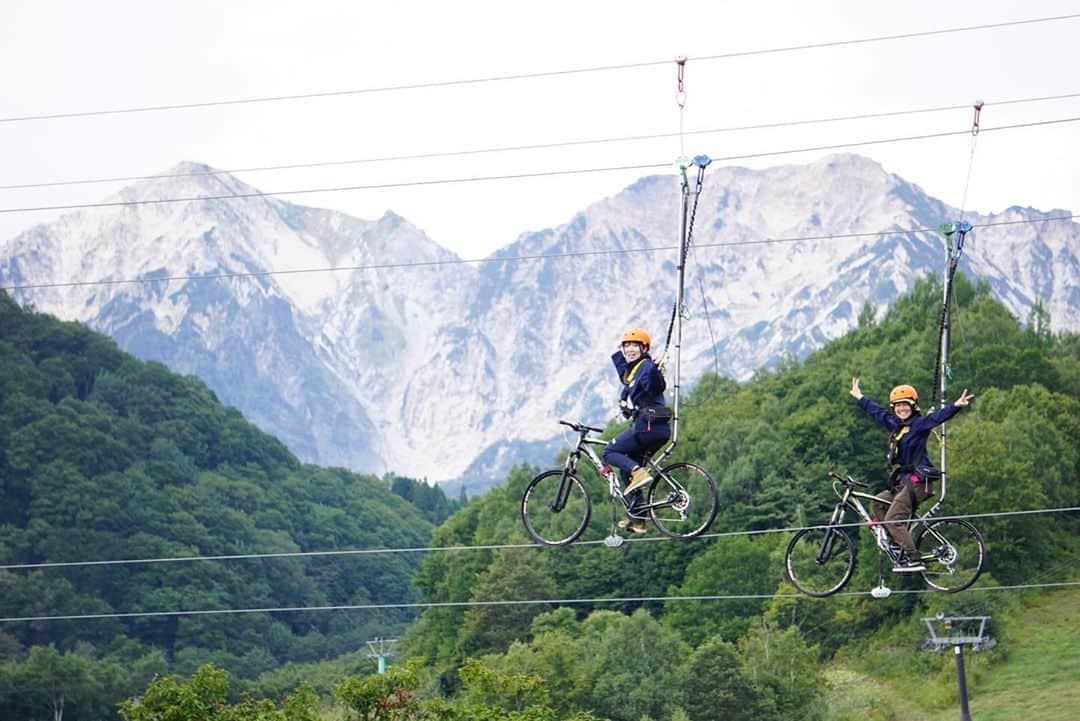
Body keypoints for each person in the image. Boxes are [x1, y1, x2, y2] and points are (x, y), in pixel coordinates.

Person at [850, 378, 974, 572]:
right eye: (897, 406)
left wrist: (956, 406)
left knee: (893, 519)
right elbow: (878, 413)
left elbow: (937, 418)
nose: (901, 410)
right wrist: (860, 397)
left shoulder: (919, 424)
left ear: (913, 406)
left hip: (918, 481)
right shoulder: (896, 425)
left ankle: (914, 557)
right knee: (878, 501)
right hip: (903, 482)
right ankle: (899, 543)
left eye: (905, 406)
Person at [602, 328, 672, 534]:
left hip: (648, 427)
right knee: (626, 472)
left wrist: (656, 368)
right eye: (626, 346)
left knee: (609, 452)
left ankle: (638, 472)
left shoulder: (647, 367)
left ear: (644, 348)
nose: (630, 349)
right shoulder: (634, 371)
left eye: (634, 346)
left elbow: (656, 384)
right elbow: (630, 380)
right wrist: (626, 405)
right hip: (656, 428)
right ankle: (639, 521)